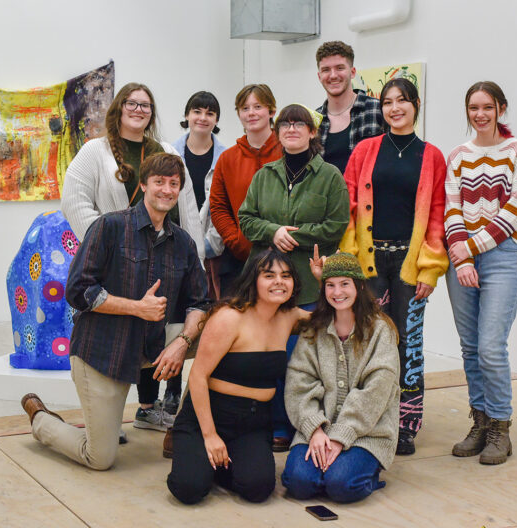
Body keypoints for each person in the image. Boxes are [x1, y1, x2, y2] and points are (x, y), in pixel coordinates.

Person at [22, 153, 208, 471]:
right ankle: (42, 420)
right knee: (100, 458)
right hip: (104, 349)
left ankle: (184, 428)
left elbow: (200, 303)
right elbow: (79, 291)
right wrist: (137, 308)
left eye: (173, 184)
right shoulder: (109, 227)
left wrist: (182, 342)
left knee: (222, 336)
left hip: (153, 344)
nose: (166, 190)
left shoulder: (183, 243)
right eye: (159, 182)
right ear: (144, 185)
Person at [61, 82, 204, 433]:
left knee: (155, 324)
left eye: (146, 105)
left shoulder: (166, 150)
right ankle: (108, 415)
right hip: (116, 259)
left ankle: (148, 406)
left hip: (162, 252)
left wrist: (193, 255)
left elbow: (185, 207)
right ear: (119, 108)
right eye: (132, 103)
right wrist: (110, 244)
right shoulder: (96, 151)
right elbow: (74, 200)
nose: (139, 110)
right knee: (118, 328)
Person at [340, 78, 448, 455]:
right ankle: (372, 416)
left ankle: (406, 424)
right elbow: (349, 208)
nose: (394, 108)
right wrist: (349, 261)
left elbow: (437, 215)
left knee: (409, 343)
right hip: (370, 265)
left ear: (416, 105)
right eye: (387, 102)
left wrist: (430, 269)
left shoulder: (432, 156)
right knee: (370, 343)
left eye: (402, 101)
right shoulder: (366, 151)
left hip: (409, 263)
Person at [239, 104, 351, 451]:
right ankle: (269, 424)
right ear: (278, 131)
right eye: (285, 124)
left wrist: (295, 236)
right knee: (266, 356)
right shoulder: (264, 175)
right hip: (266, 284)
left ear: (312, 132)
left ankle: (297, 425)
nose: (291, 129)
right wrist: (272, 232)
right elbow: (246, 218)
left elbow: (335, 227)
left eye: (298, 124)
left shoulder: (330, 175)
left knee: (298, 362)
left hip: (306, 281)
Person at [167, 248, 310, 504]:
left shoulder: (289, 316)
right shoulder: (229, 317)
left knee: (258, 489)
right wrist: (210, 436)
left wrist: (324, 278)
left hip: (254, 422)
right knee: (188, 489)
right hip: (211, 415)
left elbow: (334, 316)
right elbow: (198, 376)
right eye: (269, 275)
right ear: (253, 280)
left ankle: (219, 464)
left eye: (286, 276)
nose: (279, 281)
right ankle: (196, 454)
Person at [445, 81, 517, 465]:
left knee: (490, 348)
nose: (479, 114)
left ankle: (500, 427)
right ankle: (479, 422)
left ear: (500, 108)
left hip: (501, 257)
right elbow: (450, 209)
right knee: (469, 348)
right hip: (461, 258)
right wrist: (461, 259)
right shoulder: (458, 156)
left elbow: (516, 210)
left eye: (487, 107)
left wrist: (472, 248)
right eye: (473, 107)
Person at [282, 251, 400, 504]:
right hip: (319, 429)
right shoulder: (314, 329)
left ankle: (366, 473)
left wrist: (340, 436)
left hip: (366, 433)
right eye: (330, 285)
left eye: (345, 284)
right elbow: (298, 383)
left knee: (342, 486)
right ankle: (331, 470)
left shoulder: (380, 330)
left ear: (358, 285)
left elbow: (377, 391)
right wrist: (314, 429)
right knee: (297, 483)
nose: (338, 292)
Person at [209, 84, 282, 296]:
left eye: (257, 106)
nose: (251, 113)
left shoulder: (288, 152)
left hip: (284, 258)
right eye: (244, 108)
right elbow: (219, 207)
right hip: (239, 260)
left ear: (271, 111)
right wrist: (237, 242)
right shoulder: (227, 158)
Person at [172, 90, 229, 299]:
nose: (203, 118)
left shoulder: (226, 157)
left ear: (216, 120)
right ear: (187, 115)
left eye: (210, 113)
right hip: (175, 249)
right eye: (197, 111)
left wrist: (207, 246)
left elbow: (227, 207)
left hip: (214, 250)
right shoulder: (169, 153)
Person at [314, 41, 385, 175]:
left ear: (352, 72)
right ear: (319, 76)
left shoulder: (377, 109)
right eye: (326, 70)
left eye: (340, 68)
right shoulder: (313, 121)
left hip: (367, 195)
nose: (333, 75)